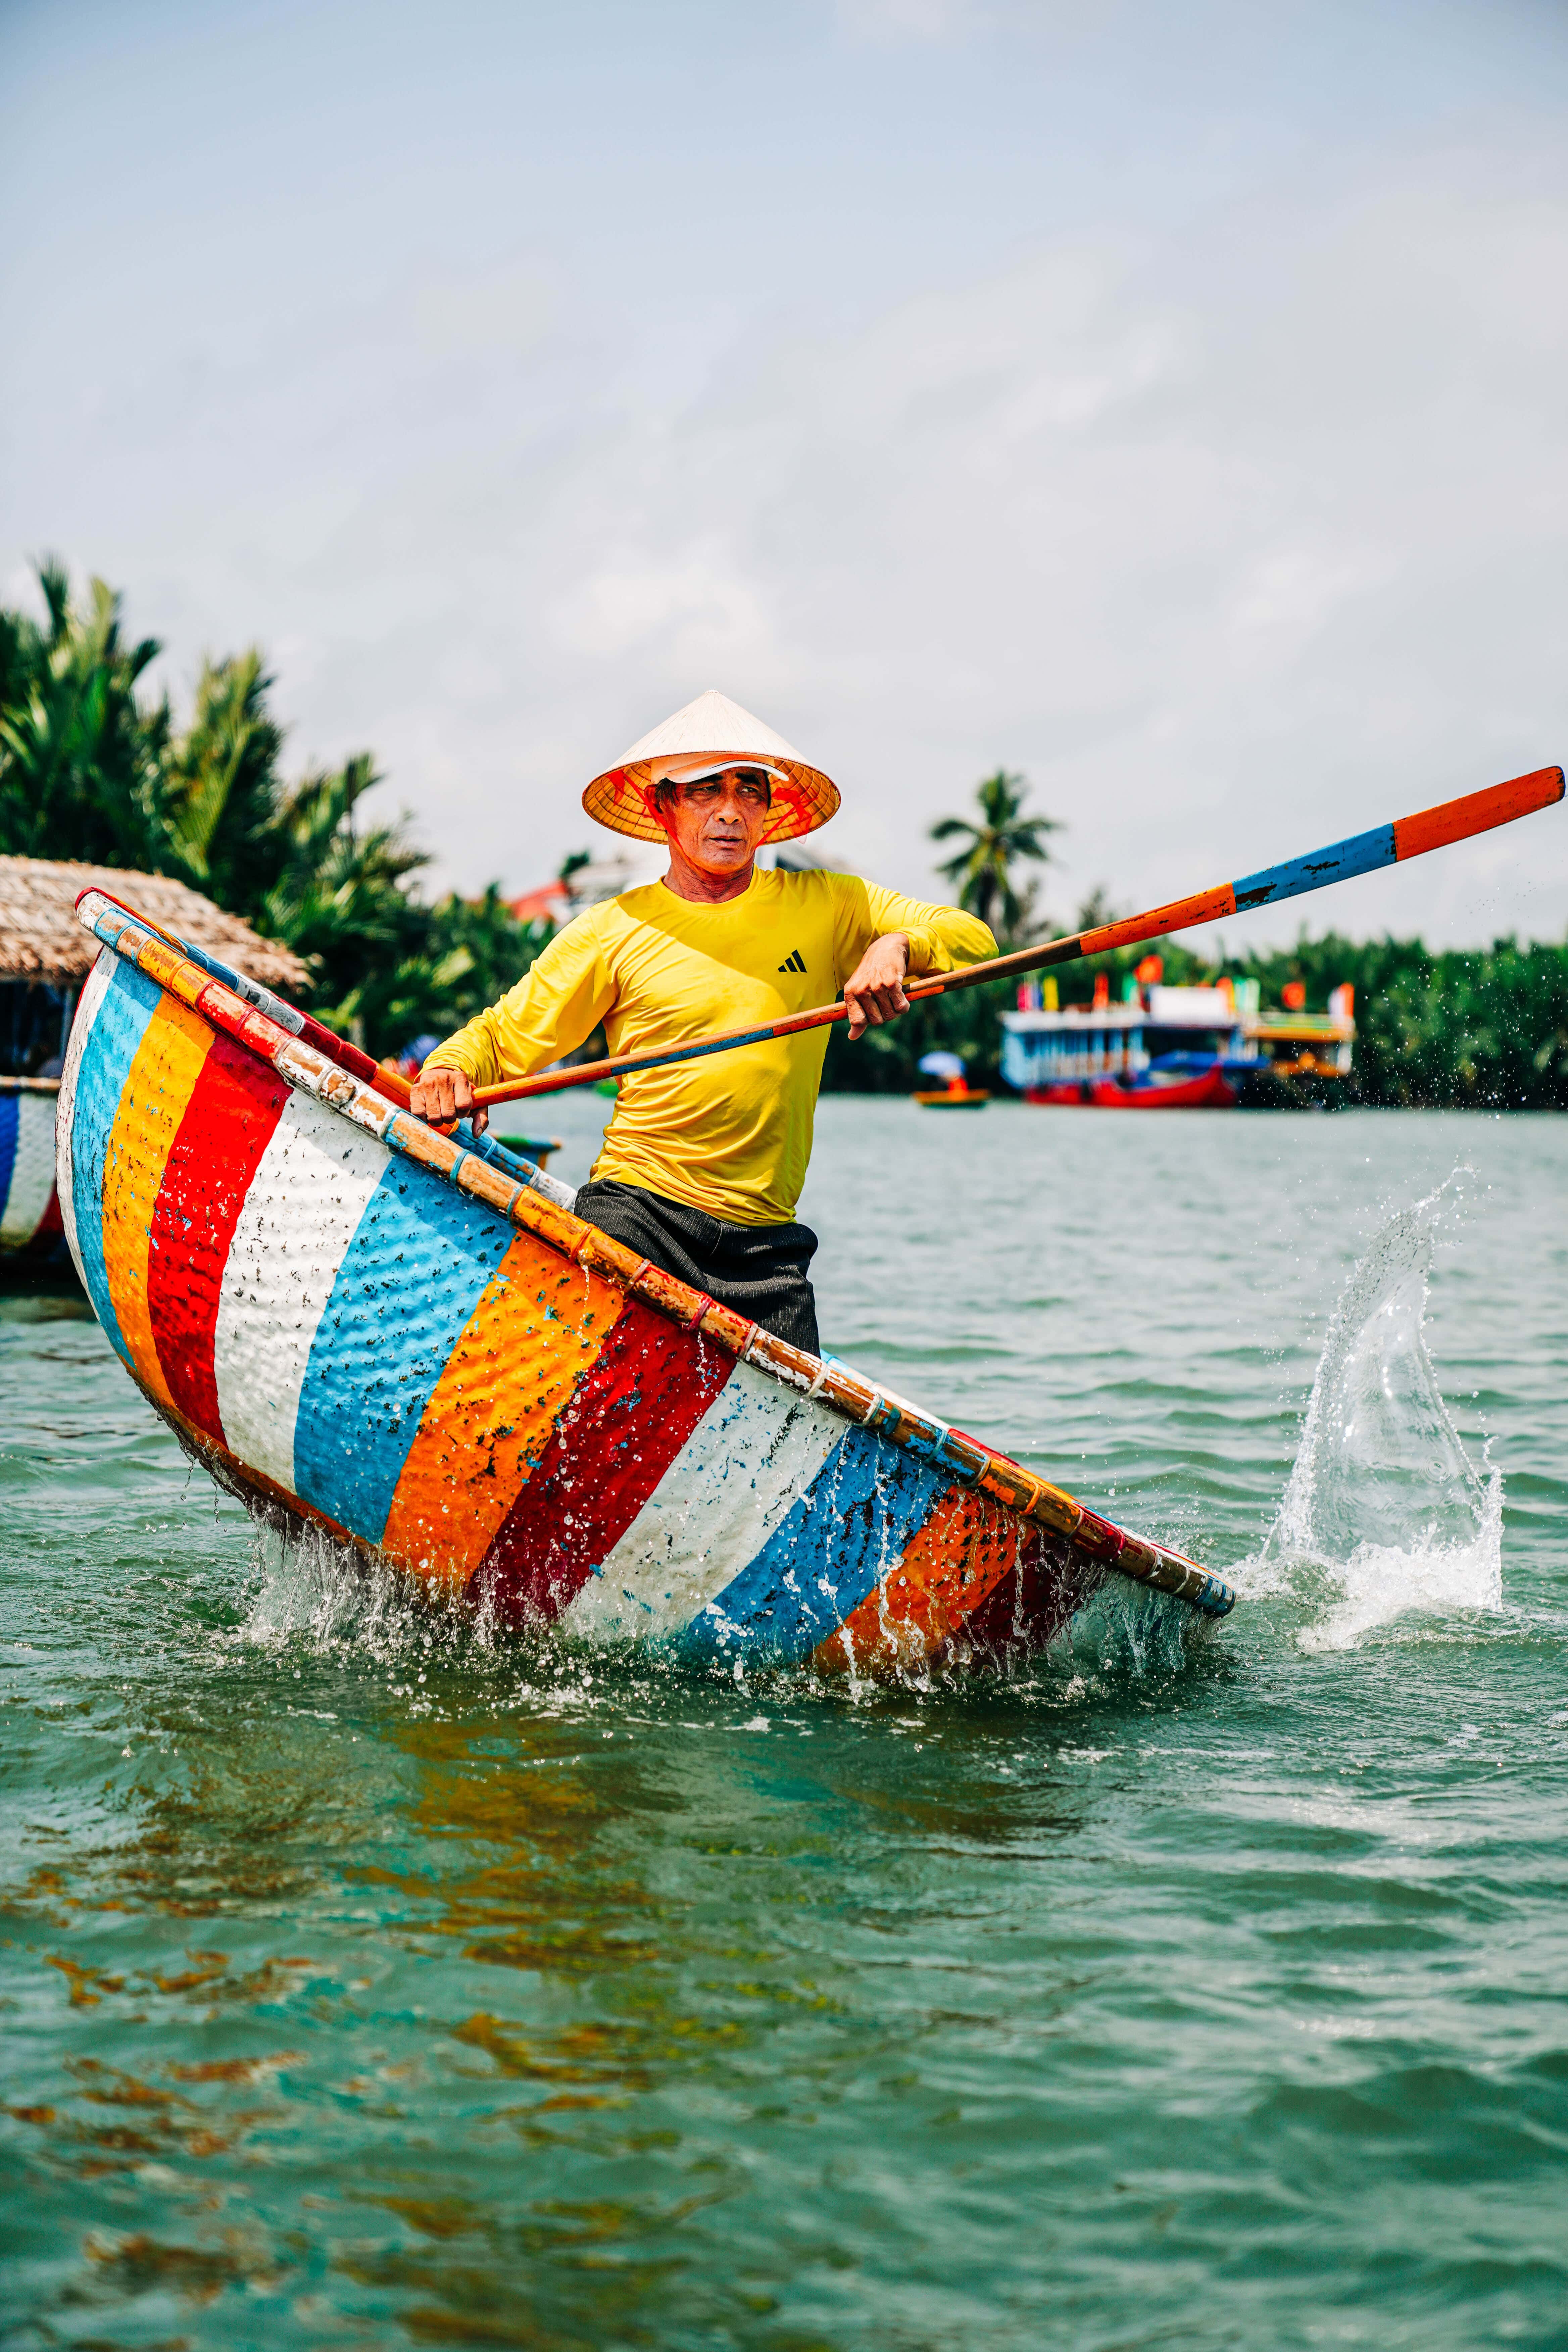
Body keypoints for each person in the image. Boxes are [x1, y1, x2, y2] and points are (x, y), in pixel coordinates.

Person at [411, 689, 995, 1355]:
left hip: (766, 1247)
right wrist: (449, 1069)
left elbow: (971, 937)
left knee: (793, 1429)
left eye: (749, 792)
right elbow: (502, 1036)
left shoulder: (831, 903)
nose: (729, 811)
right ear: (663, 806)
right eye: (703, 791)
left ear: (768, 812)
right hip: (638, 1213)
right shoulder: (614, 928)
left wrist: (898, 948)